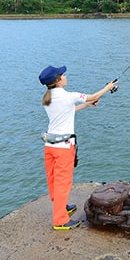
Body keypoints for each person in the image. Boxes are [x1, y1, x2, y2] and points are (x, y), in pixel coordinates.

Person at [39, 65, 117, 230]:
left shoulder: (48, 98)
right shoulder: (68, 96)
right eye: (63, 75)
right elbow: (94, 96)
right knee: (63, 182)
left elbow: (68, 111)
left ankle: (61, 206)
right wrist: (108, 87)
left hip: (49, 146)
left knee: (53, 179)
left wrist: (87, 105)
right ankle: (60, 220)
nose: (66, 76)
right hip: (63, 148)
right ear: (58, 80)